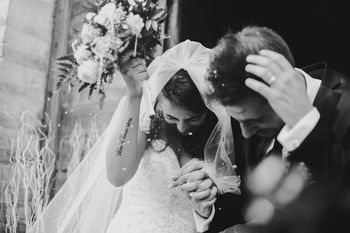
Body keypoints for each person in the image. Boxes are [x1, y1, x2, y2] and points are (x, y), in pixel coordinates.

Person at [30, 40, 240, 233]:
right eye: (171, 117)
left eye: (193, 119)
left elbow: (227, 209)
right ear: (158, 101)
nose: (183, 127)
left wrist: (205, 207)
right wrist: (134, 95)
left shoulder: (218, 136)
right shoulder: (146, 121)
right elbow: (117, 175)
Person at [172, 26, 350, 233]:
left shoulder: (344, 111)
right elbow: (247, 210)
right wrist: (207, 204)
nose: (246, 132)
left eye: (257, 120)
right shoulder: (244, 120)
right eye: (239, 120)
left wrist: (305, 124)